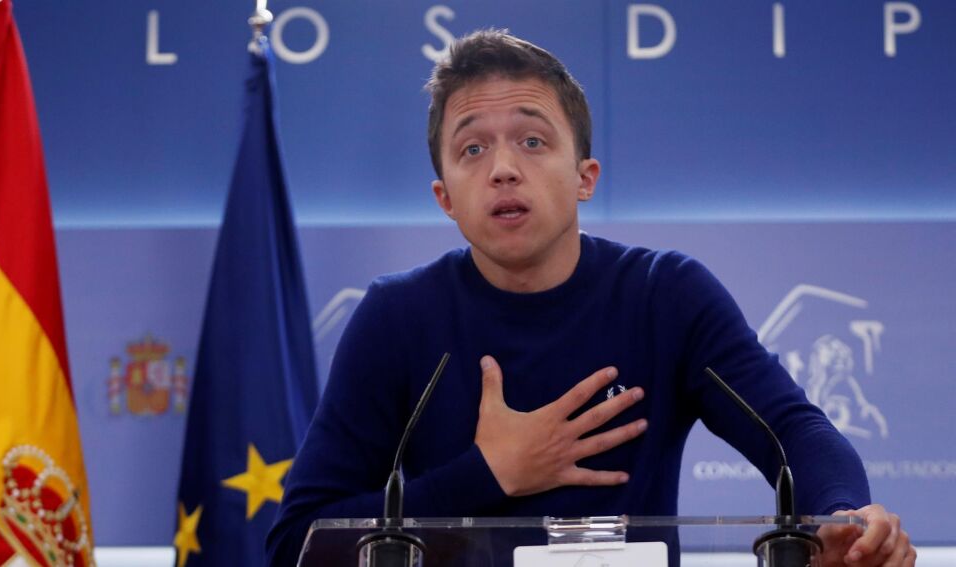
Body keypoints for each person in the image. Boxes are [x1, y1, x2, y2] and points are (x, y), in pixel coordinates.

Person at [266, 29, 915, 566]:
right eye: (472, 148)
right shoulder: (397, 317)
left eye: (532, 141)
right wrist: (490, 472)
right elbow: (298, 539)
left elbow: (796, 431)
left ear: (585, 177)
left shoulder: (665, 295)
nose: (503, 168)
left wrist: (843, 517)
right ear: (445, 198)